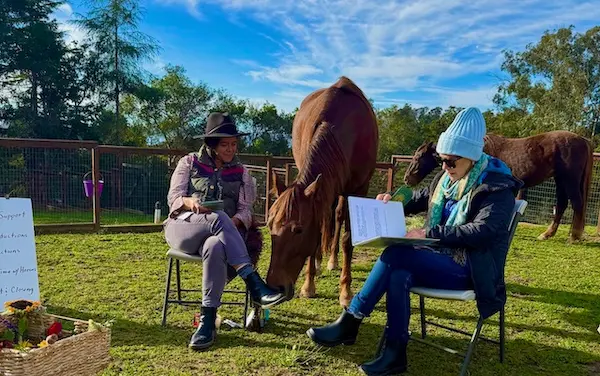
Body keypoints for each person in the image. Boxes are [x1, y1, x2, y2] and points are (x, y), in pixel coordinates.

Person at [306, 107, 523, 375]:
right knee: (398, 275)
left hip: (472, 269)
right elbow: (421, 197)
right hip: (439, 259)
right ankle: (395, 354)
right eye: (442, 160)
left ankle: (352, 320)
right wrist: (393, 199)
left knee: (396, 255)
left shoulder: (497, 187)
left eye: (451, 162)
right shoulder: (447, 180)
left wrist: (429, 234)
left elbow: (484, 231)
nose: (445, 167)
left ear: (471, 156)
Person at [164, 112, 286, 351]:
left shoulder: (242, 173)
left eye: (234, 144)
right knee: (216, 217)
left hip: (220, 236)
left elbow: (247, 212)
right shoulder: (188, 163)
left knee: (215, 245)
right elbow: (173, 200)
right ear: (211, 144)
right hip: (184, 227)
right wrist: (190, 202)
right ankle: (254, 283)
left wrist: (233, 221)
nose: (231, 149)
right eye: (225, 144)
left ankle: (207, 321)